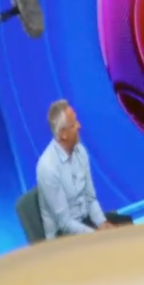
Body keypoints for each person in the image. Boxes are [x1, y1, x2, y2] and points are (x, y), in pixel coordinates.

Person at [36, 99, 129, 239]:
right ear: (63, 134)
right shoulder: (47, 168)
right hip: (62, 236)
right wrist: (97, 235)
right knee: (108, 243)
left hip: (85, 221)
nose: (79, 126)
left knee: (127, 225)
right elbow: (65, 223)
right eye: (74, 124)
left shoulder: (81, 152)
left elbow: (90, 198)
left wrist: (102, 223)